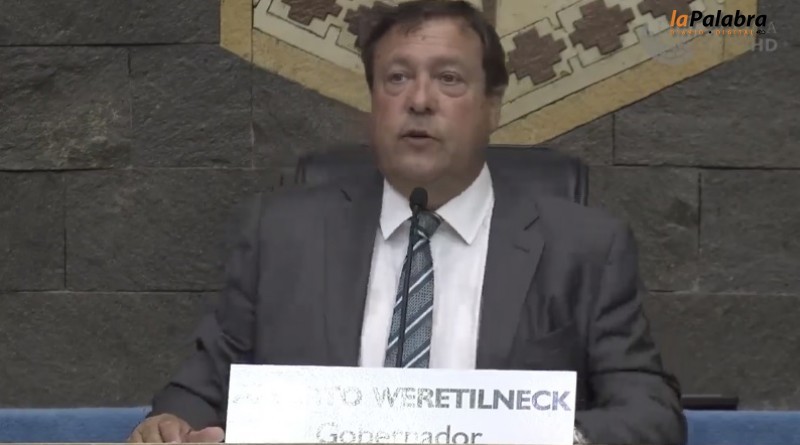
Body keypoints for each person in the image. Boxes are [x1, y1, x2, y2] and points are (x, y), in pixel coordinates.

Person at [128, 1, 686, 444]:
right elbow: (199, 389)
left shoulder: (583, 248)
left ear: (493, 105)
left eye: (449, 79)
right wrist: (169, 425)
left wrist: (547, 437)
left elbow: (652, 413)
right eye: (396, 78)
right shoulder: (280, 236)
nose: (419, 100)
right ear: (373, 101)